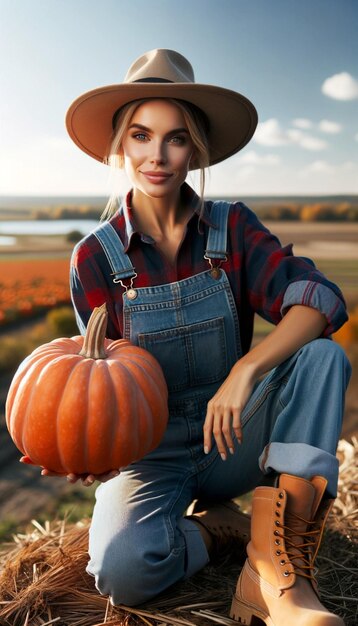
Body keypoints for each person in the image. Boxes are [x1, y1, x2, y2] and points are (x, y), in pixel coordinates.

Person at [33, 49, 354, 625]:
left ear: (195, 148)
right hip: (152, 454)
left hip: (234, 437)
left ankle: (275, 572)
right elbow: (96, 384)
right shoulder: (94, 259)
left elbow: (320, 300)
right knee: (122, 570)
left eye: (175, 138)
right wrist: (88, 446)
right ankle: (218, 531)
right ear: (121, 145)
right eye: (140, 135)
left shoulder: (231, 227)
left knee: (322, 357)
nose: (157, 156)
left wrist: (245, 370)